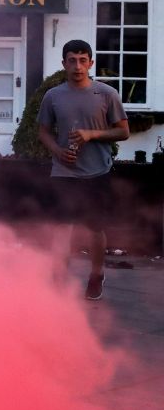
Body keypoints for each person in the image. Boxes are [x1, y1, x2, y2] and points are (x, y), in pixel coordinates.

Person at [37, 39, 129, 300]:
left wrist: (92, 134)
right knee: (61, 227)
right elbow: (43, 132)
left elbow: (123, 131)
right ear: (64, 63)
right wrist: (57, 151)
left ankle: (96, 274)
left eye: (82, 60)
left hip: (96, 172)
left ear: (91, 62)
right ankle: (59, 274)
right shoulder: (52, 96)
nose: (77, 66)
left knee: (94, 228)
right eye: (71, 60)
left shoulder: (107, 94)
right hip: (63, 172)